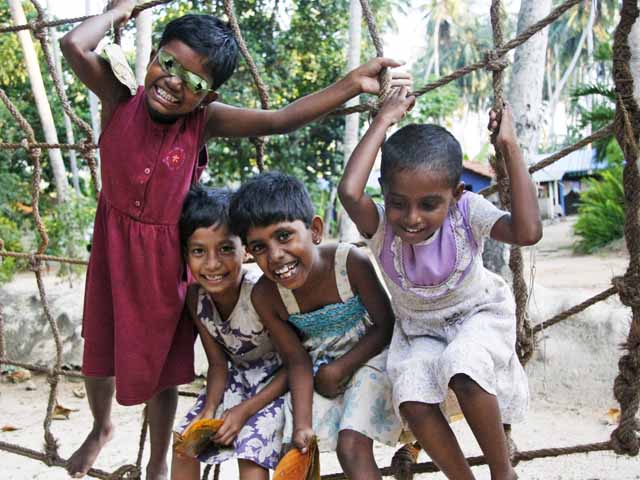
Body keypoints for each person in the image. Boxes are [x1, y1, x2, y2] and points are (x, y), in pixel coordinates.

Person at [59, 1, 411, 477]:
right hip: (113, 250)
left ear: (208, 97)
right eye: (168, 63)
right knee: (98, 350)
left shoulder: (202, 121)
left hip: (166, 260)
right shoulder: (119, 95)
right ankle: (101, 426)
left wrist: (350, 84)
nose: (174, 82)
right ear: (155, 55)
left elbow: (280, 119)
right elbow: (73, 44)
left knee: (162, 365)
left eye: (194, 82)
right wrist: (119, 11)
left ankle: (159, 460)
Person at [338, 87, 542, 480]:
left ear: (456, 194)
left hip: (478, 316)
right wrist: (384, 119)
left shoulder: (467, 212)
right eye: (398, 202)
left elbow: (527, 232)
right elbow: (349, 191)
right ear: (384, 193)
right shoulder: (380, 228)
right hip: (419, 332)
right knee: (412, 398)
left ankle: (503, 473)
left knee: (464, 366)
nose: (411, 217)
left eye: (429, 204)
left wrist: (509, 146)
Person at [228, 172, 403, 480]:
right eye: (259, 247)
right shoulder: (266, 296)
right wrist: (302, 425)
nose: (275, 255)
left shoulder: (350, 263)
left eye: (284, 236)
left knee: (350, 447)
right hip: (318, 370)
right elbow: (296, 360)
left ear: (315, 230)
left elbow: (386, 325)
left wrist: (341, 367)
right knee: (295, 448)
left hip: (374, 358)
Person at [171, 185, 285, 480]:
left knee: (250, 456)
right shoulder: (196, 298)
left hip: (278, 386)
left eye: (225, 249)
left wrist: (244, 411)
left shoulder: (261, 294)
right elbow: (218, 365)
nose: (212, 264)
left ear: (245, 249)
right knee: (184, 444)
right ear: (186, 255)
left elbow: (296, 365)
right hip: (236, 381)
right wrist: (209, 410)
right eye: (199, 251)